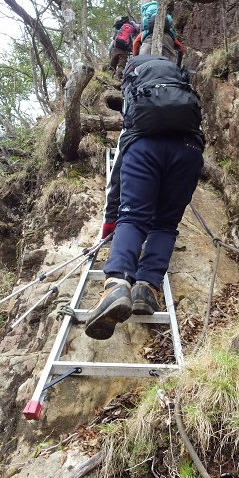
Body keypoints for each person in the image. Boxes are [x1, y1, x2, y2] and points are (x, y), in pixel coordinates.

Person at [85, 54, 205, 340]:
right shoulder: (180, 82)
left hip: (143, 145)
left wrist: (110, 221)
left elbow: (116, 179)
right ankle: (146, 289)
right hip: (189, 149)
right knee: (164, 225)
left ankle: (116, 285)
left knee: (133, 218)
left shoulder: (134, 86)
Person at [131, 1, 184, 65]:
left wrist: (136, 58)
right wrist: (178, 65)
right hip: (168, 45)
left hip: (147, 47)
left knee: (143, 70)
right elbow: (180, 48)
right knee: (170, 69)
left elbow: (135, 43)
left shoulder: (144, 33)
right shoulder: (170, 34)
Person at [109, 16, 139, 80]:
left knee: (112, 67)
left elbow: (113, 41)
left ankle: (109, 79)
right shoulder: (131, 25)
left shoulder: (120, 30)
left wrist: (110, 52)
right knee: (121, 67)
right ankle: (117, 79)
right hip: (124, 51)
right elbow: (138, 28)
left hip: (114, 49)